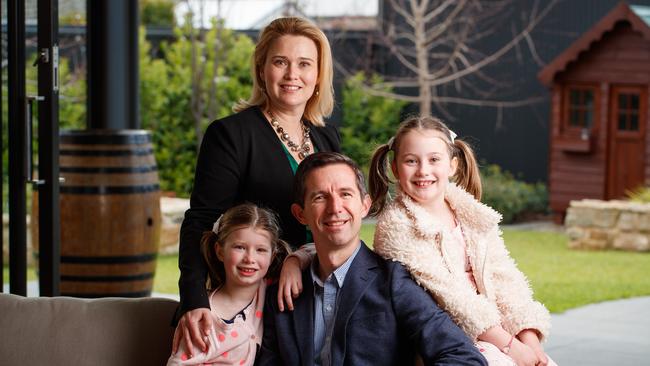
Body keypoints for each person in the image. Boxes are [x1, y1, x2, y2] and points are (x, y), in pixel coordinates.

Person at [174, 16, 340, 355]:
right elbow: (201, 221)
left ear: (319, 75)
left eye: (305, 64)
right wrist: (194, 300)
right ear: (262, 70)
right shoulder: (230, 135)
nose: (293, 75)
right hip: (258, 303)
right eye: (280, 62)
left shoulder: (327, 138)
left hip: (320, 294)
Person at [256, 152, 488, 366]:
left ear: (365, 205)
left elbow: (464, 357)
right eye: (320, 197)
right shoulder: (281, 295)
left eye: (345, 194)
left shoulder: (393, 281)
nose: (335, 208)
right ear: (301, 214)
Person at [366, 116, 557, 366]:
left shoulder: (472, 215)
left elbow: (506, 278)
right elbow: (451, 298)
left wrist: (529, 341)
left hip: (496, 333)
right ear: (395, 168)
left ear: (452, 166)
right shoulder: (398, 226)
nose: (423, 170)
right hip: (446, 339)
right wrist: (510, 347)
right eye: (411, 161)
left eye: (434, 159)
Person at [168, 203, 290, 365]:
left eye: (260, 250)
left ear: (272, 256)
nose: (249, 259)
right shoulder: (203, 320)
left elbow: (318, 254)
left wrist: (296, 261)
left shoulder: (268, 289)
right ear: (220, 251)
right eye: (239, 247)